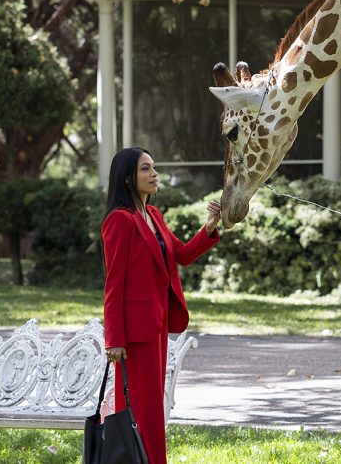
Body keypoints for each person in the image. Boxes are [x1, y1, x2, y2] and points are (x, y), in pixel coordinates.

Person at [101, 147, 221, 464]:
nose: (154, 174)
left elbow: (179, 254)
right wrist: (114, 339)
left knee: (152, 410)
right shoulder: (119, 221)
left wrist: (209, 229)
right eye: (145, 169)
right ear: (127, 178)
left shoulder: (154, 216)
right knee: (141, 411)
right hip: (133, 334)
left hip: (156, 326)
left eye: (155, 167)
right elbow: (113, 282)